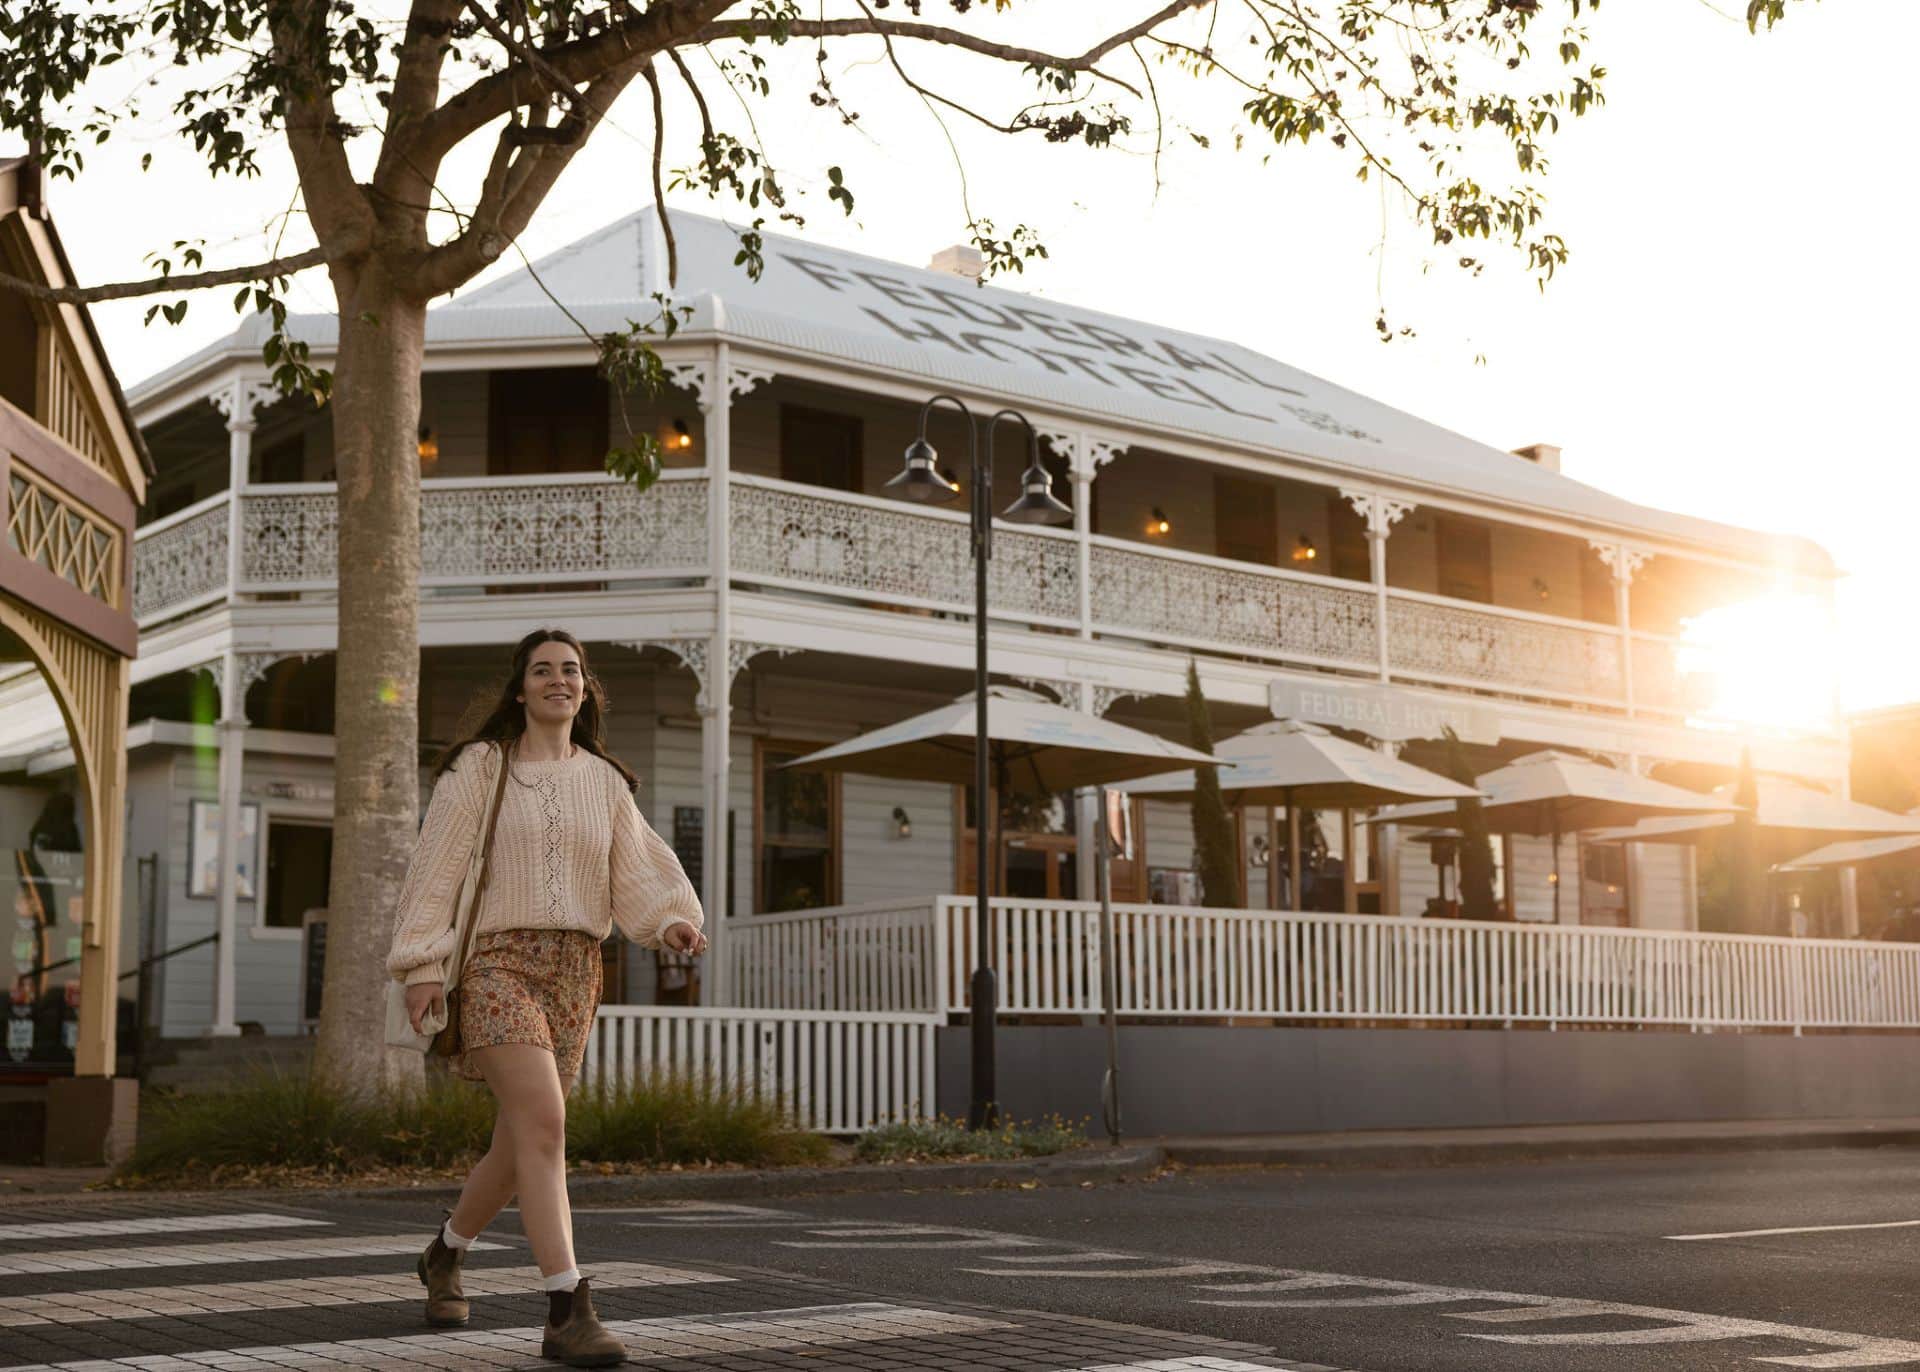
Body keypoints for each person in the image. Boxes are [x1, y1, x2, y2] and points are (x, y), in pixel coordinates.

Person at [386, 629, 706, 1367]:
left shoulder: (604, 781)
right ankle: (567, 1306)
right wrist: (423, 963)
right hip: (499, 962)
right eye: (542, 670)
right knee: (545, 1124)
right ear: (520, 689)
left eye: (571, 670)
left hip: (575, 970)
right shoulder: (480, 768)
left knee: (520, 1140)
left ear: (586, 689)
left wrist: (673, 922)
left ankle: (444, 1254)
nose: (559, 680)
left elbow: (640, 869)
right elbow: (434, 868)